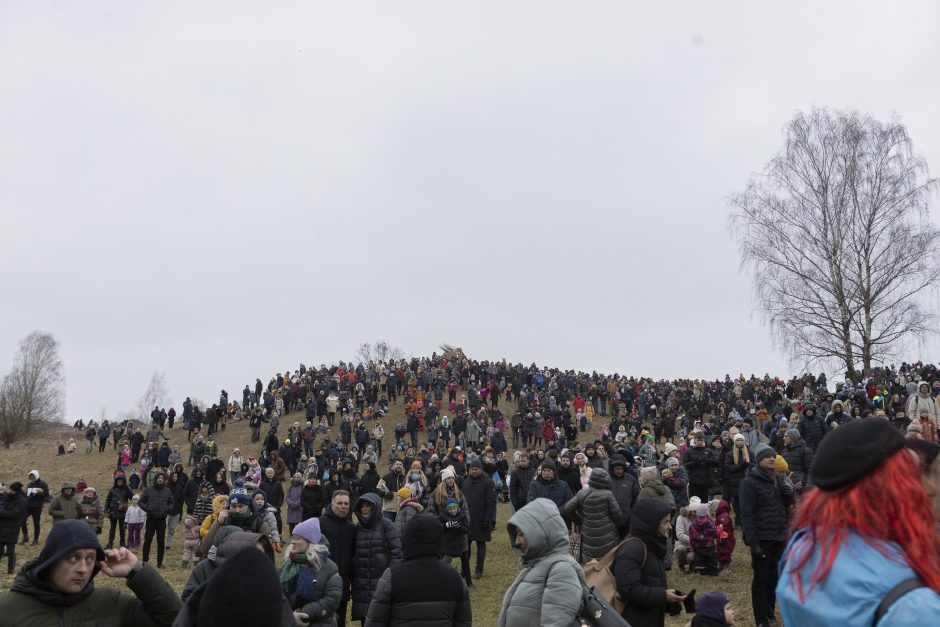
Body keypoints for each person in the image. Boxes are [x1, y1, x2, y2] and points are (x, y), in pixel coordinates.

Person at [777, 419, 940, 626]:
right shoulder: (913, 606)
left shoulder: (802, 546)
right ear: (885, 490)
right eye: (913, 476)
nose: (930, 488)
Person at [0, 518, 181, 625]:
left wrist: (137, 572)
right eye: (73, 558)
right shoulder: (8, 610)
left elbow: (175, 621)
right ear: (51, 559)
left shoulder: (111, 603)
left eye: (90, 559)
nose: (83, 569)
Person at [364, 514, 472, 627]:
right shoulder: (455, 578)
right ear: (439, 539)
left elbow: (374, 622)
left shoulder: (391, 576)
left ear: (406, 540)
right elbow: (463, 622)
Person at [498, 497, 583, 627]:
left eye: (522, 534)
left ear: (542, 533)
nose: (517, 542)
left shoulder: (561, 570)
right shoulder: (537, 565)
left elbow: (556, 623)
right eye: (517, 535)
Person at [738, 443, 794, 627]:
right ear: (758, 460)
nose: (772, 459)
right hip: (762, 538)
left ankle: (769, 612)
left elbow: (785, 507)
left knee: (774, 578)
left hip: (778, 536)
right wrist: (753, 543)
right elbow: (747, 514)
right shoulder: (749, 482)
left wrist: (788, 495)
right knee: (761, 580)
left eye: (773, 456)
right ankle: (761, 619)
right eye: (767, 456)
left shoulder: (778, 478)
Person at [613, 498, 686, 627]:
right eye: (665, 522)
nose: (670, 526)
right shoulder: (633, 548)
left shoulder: (650, 545)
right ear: (651, 523)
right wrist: (662, 595)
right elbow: (630, 589)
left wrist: (668, 601)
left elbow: (648, 582)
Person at [280, 518, 343, 627]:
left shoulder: (329, 567)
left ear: (311, 542)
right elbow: (277, 592)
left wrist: (303, 613)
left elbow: (331, 600)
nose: (293, 542)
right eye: (293, 537)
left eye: (298, 538)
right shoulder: (288, 564)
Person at [350, 492, 402, 622]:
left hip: (382, 581)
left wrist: (390, 576)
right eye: (362, 506)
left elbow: (397, 552)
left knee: (382, 618)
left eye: (368, 505)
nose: (364, 508)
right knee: (365, 619)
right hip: (362, 584)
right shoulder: (357, 528)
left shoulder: (387, 525)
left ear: (376, 507)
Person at [562, 467, 625, 563]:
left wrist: (579, 520)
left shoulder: (582, 493)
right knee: (606, 563)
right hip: (607, 535)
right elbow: (618, 516)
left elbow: (566, 510)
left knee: (589, 563)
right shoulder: (608, 494)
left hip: (587, 534)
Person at [319, 490, 357, 627]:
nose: (343, 506)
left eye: (346, 504)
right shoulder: (319, 524)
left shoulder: (352, 528)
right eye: (339, 503)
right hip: (321, 585)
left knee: (340, 622)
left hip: (343, 586)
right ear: (332, 504)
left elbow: (353, 558)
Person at [461, 458, 497, 580]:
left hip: (482, 519)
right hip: (467, 519)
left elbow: (491, 502)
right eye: (472, 469)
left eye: (476, 469)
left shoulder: (488, 482)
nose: (474, 471)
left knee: (481, 544)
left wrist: (488, 519)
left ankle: (479, 569)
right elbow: (462, 501)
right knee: (466, 545)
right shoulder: (466, 482)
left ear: (481, 470)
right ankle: (464, 569)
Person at [138, 471, 174, 568]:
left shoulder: (167, 491)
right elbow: (141, 502)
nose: (160, 479)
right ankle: (145, 562)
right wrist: (148, 508)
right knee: (147, 541)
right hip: (151, 519)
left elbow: (171, 503)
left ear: (164, 480)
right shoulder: (148, 490)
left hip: (162, 520)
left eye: (162, 478)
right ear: (156, 479)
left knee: (161, 541)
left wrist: (167, 509)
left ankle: (160, 563)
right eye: (159, 478)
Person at [0, 482, 27, 575]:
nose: (9, 491)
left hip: (12, 528)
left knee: (10, 551)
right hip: (3, 527)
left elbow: (14, 514)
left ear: (15, 490)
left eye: (11, 490)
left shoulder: (21, 501)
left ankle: (10, 570)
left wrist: (1, 512)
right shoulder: (8, 498)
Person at [104, 472, 133, 548]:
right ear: (116, 481)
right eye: (118, 480)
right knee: (112, 529)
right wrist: (106, 509)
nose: (120, 481)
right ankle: (110, 543)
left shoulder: (126, 489)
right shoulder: (112, 489)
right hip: (113, 512)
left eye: (121, 480)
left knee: (122, 528)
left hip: (122, 511)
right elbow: (108, 500)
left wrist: (128, 488)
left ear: (124, 481)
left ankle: (122, 543)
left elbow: (132, 497)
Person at [21, 470, 49, 546]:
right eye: (30, 477)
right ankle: (25, 536)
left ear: (37, 476)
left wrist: (39, 492)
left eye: (33, 476)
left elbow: (46, 495)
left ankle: (36, 540)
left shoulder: (42, 484)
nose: (32, 478)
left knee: (36, 523)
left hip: (37, 507)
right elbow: (27, 495)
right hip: (28, 506)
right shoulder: (29, 485)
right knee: (22, 520)